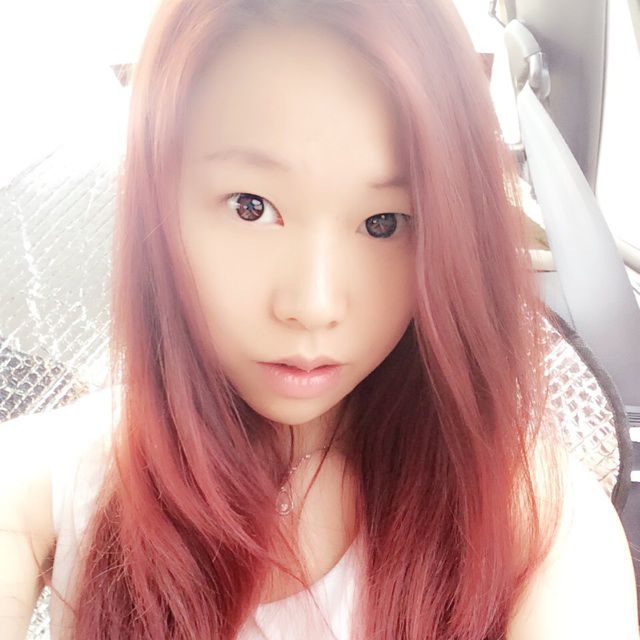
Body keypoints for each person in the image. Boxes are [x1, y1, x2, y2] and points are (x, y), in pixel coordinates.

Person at [1, 0, 638, 638]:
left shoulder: (541, 525)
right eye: (250, 206)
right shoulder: (55, 481)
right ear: (157, 199)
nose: (313, 304)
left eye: (383, 222)